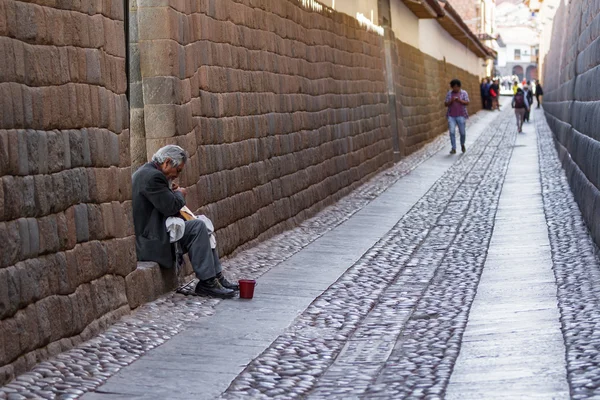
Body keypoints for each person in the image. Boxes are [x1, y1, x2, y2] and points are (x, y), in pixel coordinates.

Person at [132, 145, 239, 298]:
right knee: (197, 227)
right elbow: (170, 207)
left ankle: (216, 278)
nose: (177, 175)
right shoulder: (153, 177)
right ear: (167, 162)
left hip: (156, 233)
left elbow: (163, 203)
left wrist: (171, 192)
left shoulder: (149, 172)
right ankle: (208, 282)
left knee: (201, 223)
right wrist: (180, 194)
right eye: (178, 170)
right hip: (152, 241)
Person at [444, 79, 470, 154]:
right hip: (451, 116)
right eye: (454, 87)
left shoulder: (464, 93)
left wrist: (460, 101)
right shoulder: (449, 94)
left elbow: (467, 102)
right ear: (452, 87)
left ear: (459, 87)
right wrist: (451, 101)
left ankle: (462, 144)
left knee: (462, 133)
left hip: (461, 115)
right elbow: (445, 104)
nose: (456, 89)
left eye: (457, 87)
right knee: (452, 132)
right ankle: (453, 148)